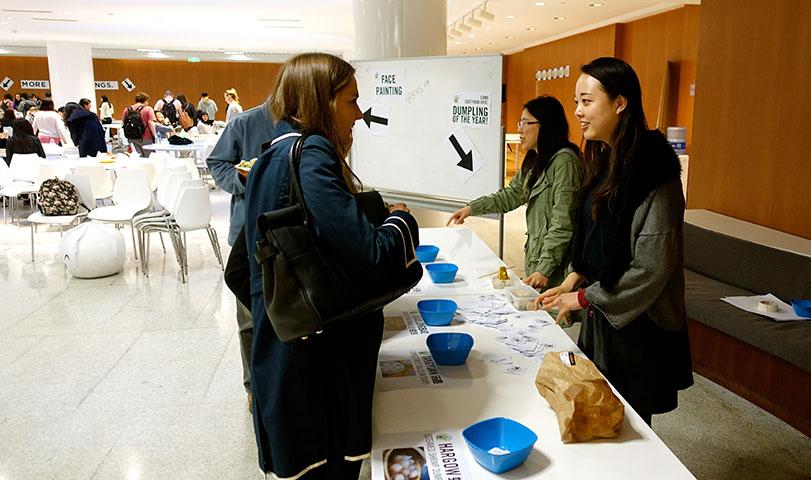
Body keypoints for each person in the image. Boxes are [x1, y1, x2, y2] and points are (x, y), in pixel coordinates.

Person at [243, 52, 419, 480]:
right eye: (351, 102)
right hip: (316, 372)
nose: (359, 115)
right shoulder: (313, 153)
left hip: (285, 350)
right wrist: (401, 219)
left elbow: (244, 267)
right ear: (321, 101)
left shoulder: (270, 156)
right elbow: (373, 254)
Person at [535, 57, 693, 427]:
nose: (578, 112)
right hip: (603, 315)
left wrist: (585, 296)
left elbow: (651, 268)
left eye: (587, 101)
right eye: (576, 102)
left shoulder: (655, 174)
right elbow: (596, 239)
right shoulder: (605, 161)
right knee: (599, 413)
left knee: (630, 426)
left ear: (620, 103)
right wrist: (575, 277)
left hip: (638, 326)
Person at [447, 95, 582, 290]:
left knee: (553, 317)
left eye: (525, 123)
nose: (519, 129)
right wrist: (472, 208)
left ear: (545, 125)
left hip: (556, 269)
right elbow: (512, 195)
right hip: (537, 259)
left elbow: (563, 223)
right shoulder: (536, 159)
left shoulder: (564, 162)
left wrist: (544, 268)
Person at [207, 99, 276, 412]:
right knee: (249, 316)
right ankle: (254, 386)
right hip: (247, 235)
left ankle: (284, 382)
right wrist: (241, 180)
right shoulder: (244, 123)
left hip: (292, 232)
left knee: (290, 315)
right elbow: (217, 163)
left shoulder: (306, 123)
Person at [122, 92, 157, 157]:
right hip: (146, 137)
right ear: (145, 100)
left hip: (132, 137)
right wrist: (155, 135)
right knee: (149, 157)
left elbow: (123, 123)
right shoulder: (148, 109)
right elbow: (150, 123)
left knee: (137, 157)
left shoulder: (127, 109)